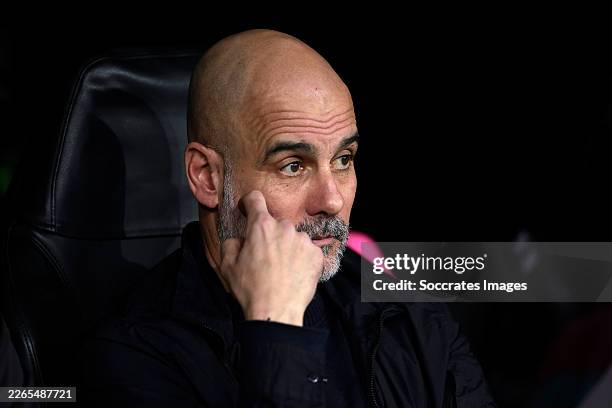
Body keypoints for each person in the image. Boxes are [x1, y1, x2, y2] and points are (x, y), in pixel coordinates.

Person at [82, 29, 495, 407]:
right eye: (293, 166)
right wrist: (277, 329)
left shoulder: (407, 313)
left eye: (343, 159)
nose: (332, 199)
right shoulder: (135, 356)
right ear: (207, 177)